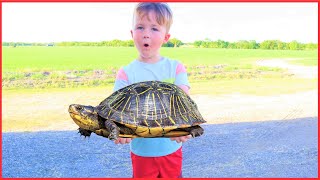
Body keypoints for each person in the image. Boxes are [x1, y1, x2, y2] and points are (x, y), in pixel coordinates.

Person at [113, 2, 191, 178]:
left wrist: (184, 125)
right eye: (140, 27)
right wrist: (119, 128)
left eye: (154, 29)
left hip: (171, 150)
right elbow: (118, 110)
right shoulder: (126, 73)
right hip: (142, 154)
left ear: (166, 37)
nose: (146, 34)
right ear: (132, 34)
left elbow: (183, 102)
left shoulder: (176, 68)